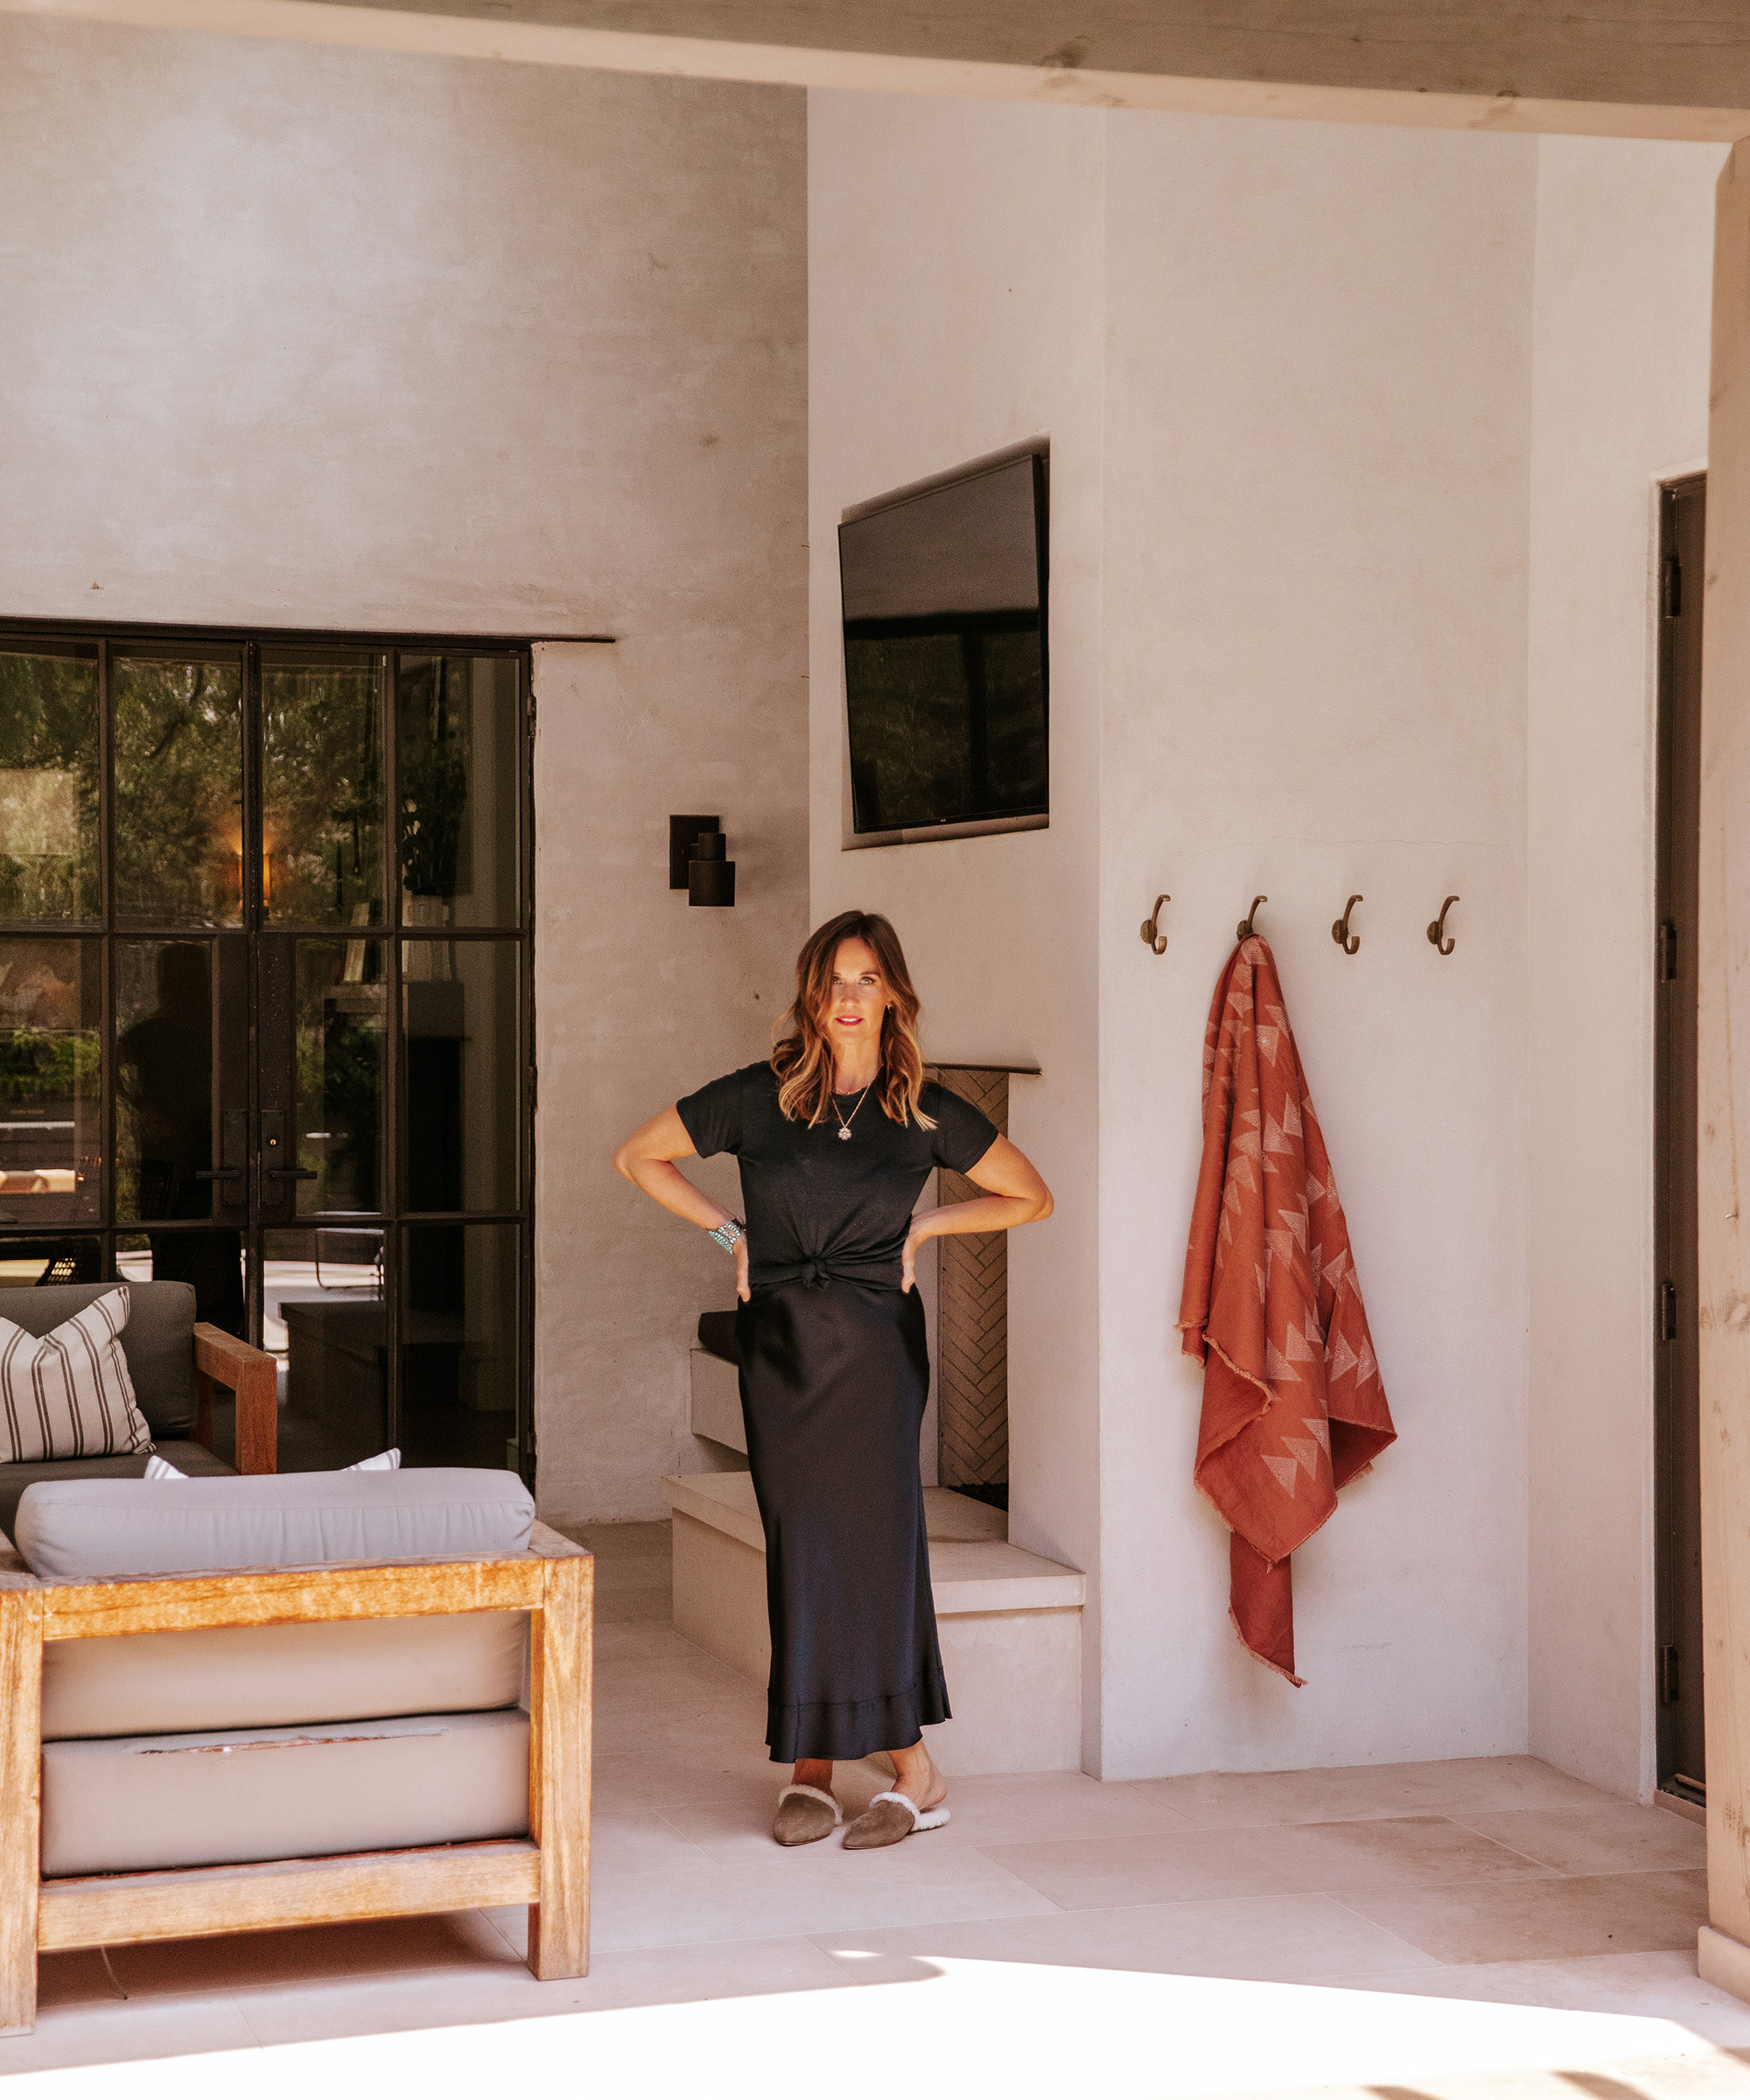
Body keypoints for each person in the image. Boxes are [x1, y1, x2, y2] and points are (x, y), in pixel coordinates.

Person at [612, 909, 1053, 1850]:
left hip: (874, 1358)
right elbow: (636, 1155)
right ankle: (812, 1765)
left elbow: (1030, 1195)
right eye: (833, 981)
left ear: (892, 995)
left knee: (876, 1550)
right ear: (811, 996)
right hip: (780, 1354)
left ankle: (912, 1768)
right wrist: (729, 1235)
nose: (849, 998)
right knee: (801, 1548)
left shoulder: (924, 1110)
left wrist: (926, 1227)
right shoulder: (756, 1096)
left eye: (866, 980)